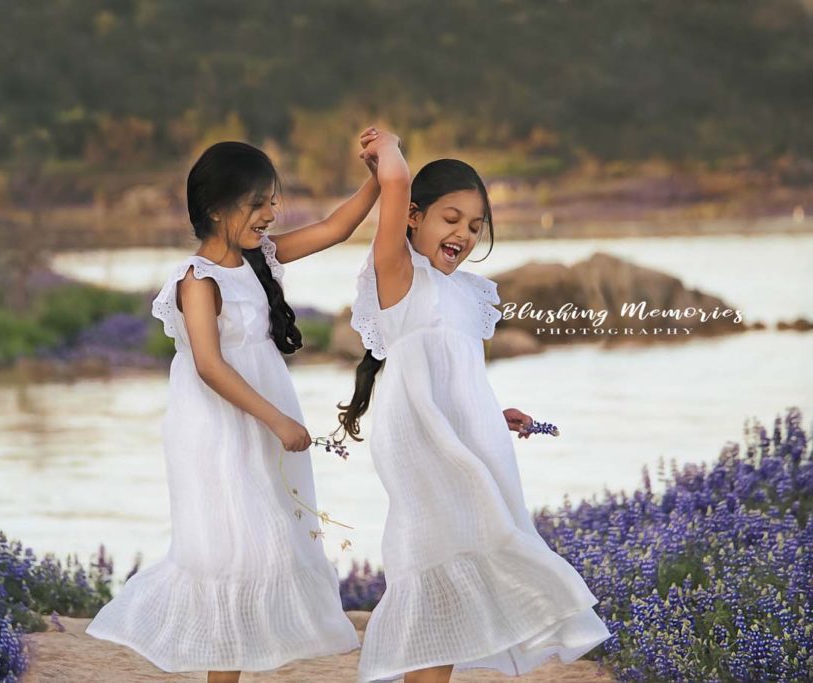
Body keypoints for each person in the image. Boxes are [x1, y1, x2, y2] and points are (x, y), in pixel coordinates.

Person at [86, 136, 381, 682]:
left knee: (265, 549)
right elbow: (209, 365)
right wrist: (277, 419)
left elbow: (335, 228)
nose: (272, 214)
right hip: (218, 428)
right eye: (258, 203)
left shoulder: (257, 259)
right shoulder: (198, 280)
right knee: (229, 554)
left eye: (272, 201)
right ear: (217, 209)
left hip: (262, 419)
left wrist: (380, 179)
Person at [337, 129, 613, 682]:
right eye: (451, 217)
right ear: (412, 217)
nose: (463, 233)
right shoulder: (398, 276)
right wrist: (386, 147)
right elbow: (393, 181)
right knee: (431, 559)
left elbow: (459, 378)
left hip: (468, 440)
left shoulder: (470, 293)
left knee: (468, 554)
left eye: (475, 225)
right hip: (420, 443)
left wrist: (492, 414)